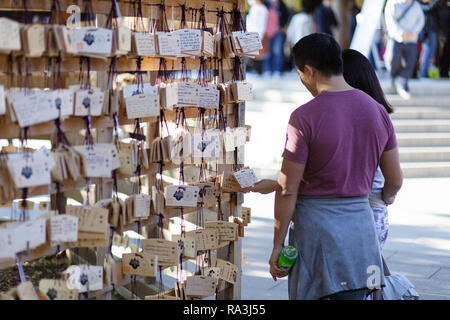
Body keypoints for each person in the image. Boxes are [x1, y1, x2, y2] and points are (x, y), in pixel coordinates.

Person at [246, 33, 403, 300]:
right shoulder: (377, 111)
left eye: (300, 74)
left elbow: (287, 189)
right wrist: (384, 196)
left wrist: (277, 246)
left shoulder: (304, 117)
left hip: (317, 233)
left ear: (309, 70)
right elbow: (395, 179)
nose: (303, 81)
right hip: (361, 229)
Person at [342, 48, 394, 250]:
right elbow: (395, 178)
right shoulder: (380, 116)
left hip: (337, 211)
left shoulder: (329, 115)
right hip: (374, 210)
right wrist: (387, 195)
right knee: (366, 277)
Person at [384, 0, 425, 99]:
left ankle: (403, 84)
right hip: (396, 37)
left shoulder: (416, 5)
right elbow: (390, 20)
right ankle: (393, 80)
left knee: (410, 62)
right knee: (392, 59)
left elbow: (421, 20)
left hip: (411, 38)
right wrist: (401, 32)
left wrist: (412, 32)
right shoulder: (392, 3)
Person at [262, 0, 291, 78]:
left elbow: (286, 16)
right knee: (267, 52)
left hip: (278, 32)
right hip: (267, 32)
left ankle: (277, 70)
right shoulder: (265, 3)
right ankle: (267, 70)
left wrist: (283, 27)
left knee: (278, 52)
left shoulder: (282, 4)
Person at [418, 0, 441, 78]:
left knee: (432, 52)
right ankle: (423, 73)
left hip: (432, 30)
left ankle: (428, 71)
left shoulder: (435, 4)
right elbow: (428, 8)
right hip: (424, 31)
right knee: (426, 50)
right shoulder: (418, 5)